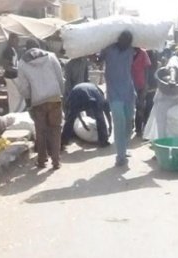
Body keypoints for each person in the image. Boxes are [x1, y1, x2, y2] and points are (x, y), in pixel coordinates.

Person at [17, 39, 64, 170]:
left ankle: (42, 160)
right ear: (39, 47)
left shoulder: (22, 63)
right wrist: (61, 94)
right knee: (55, 130)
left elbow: (23, 87)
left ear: (26, 49)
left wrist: (28, 100)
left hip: (37, 101)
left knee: (41, 131)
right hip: (54, 98)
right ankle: (56, 161)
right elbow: (60, 77)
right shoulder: (51, 56)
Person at [100, 31, 136, 167]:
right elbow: (99, 60)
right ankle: (120, 155)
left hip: (128, 92)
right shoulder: (108, 50)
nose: (126, 43)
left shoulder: (131, 51)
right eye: (124, 39)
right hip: (114, 94)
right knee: (119, 124)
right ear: (118, 39)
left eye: (128, 41)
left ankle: (124, 148)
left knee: (128, 123)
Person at [61, 83, 112, 149]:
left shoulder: (96, 91)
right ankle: (103, 141)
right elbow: (106, 113)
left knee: (70, 119)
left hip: (75, 93)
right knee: (99, 118)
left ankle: (63, 141)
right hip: (89, 97)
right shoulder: (100, 97)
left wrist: (82, 122)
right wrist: (110, 126)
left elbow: (76, 110)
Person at [0, 34, 25, 114]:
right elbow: (6, 66)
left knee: (18, 98)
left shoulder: (13, 50)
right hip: (11, 77)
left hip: (15, 77)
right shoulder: (8, 51)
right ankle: (14, 113)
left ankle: (17, 113)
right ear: (11, 40)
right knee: (15, 98)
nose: (18, 42)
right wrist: (18, 70)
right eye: (16, 40)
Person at [131, 47, 151, 137]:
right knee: (130, 106)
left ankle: (138, 128)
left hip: (141, 84)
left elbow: (147, 69)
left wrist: (146, 84)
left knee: (140, 106)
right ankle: (130, 125)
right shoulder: (128, 53)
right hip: (129, 85)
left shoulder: (143, 53)